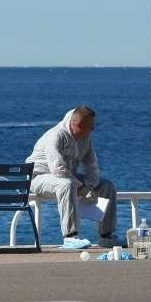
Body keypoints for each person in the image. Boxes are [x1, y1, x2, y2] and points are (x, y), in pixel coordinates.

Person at [25, 106, 118, 249]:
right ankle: (70, 237)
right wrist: (82, 188)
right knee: (67, 185)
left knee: (107, 186)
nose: (93, 129)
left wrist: (90, 186)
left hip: (66, 176)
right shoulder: (55, 136)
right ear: (78, 125)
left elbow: (91, 166)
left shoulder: (85, 139)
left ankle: (106, 237)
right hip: (39, 177)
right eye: (90, 125)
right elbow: (58, 169)